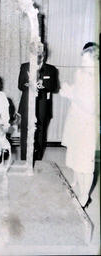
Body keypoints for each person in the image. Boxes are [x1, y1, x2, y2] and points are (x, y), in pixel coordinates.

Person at [60, 42, 99, 207]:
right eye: (82, 61)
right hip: (75, 118)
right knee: (75, 156)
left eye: (86, 62)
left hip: (88, 123)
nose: (82, 65)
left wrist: (71, 96)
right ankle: (78, 187)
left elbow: (92, 108)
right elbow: (76, 90)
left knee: (85, 163)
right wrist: (68, 89)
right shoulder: (80, 73)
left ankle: (85, 195)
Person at [18, 46, 58, 164]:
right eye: (35, 53)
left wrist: (44, 85)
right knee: (25, 130)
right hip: (26, 104)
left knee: (40, 131)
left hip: (42, 105)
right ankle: (24, 159)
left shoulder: (51, 69)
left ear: (44, 54)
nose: (37, 55)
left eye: (40, 53)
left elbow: (54, 87)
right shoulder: (25, 66)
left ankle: (38, 159)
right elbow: (20, 85)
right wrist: (29, 84)